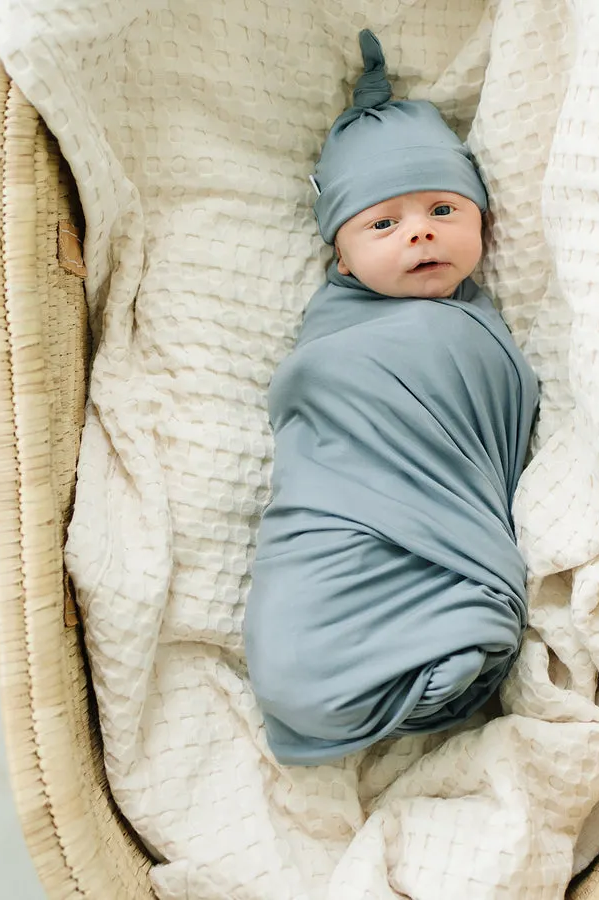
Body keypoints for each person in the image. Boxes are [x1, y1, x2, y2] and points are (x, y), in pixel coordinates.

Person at [244, 29, 539, 766]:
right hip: (338, 513)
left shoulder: (481, 318)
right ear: (340, 256)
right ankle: (354, 664)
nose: (419, 234)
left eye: (444, 210)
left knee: (445, 637)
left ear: (482, 221)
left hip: (438, 509)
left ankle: (442, 636)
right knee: (297, 661)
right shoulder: (336, 336)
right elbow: (325, 421)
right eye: (384, 224)